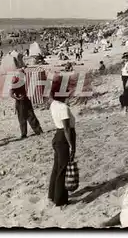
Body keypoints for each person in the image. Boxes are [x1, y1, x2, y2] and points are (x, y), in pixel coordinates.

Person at [48, 76, 76, 207]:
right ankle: (60, 199)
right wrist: (72, 145)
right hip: (64, 137)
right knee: (63, 169)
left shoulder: (54, 104)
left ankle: (52, 195)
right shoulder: (63, 107)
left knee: (56, 168)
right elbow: (66, 129)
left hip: (57, 136)